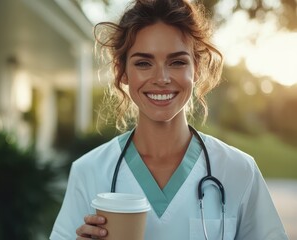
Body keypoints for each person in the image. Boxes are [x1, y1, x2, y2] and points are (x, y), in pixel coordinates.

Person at [50, 0, 289, 239]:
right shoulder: (89, 171)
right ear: (122, 72)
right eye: (144, 63)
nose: (161, 78)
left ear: (196, 69)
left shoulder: (238, 170)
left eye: (177, 62)